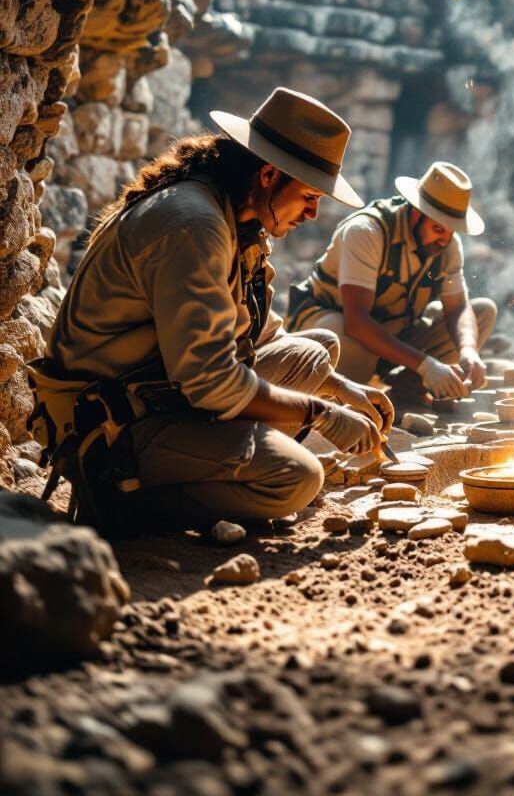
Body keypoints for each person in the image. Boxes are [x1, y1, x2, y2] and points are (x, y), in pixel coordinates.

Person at [30, 88, 394, 537]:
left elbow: (261, 337)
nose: (314, 214)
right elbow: (212, 381)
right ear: (267, 175)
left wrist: (344, 391)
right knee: (297, 478)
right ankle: (122, 501)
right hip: (110, 421)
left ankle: (211, 459)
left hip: (163, 383)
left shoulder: (235, 218)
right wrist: (322, 415)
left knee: (317, 354)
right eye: (309, 196)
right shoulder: (194, 226)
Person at [286, 161, 497, 400]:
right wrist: (426, 365)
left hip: (394, 335)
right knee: (350, 343)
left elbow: (457, 307)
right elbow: (357, 321)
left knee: (482, 312)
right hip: (334, 327)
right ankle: (337, 397)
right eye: (438, 229)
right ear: (417, 213)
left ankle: (405, 385)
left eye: (452, 231)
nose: (445, 240)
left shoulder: (447, 245)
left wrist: (469, 350)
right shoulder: (366, 232)